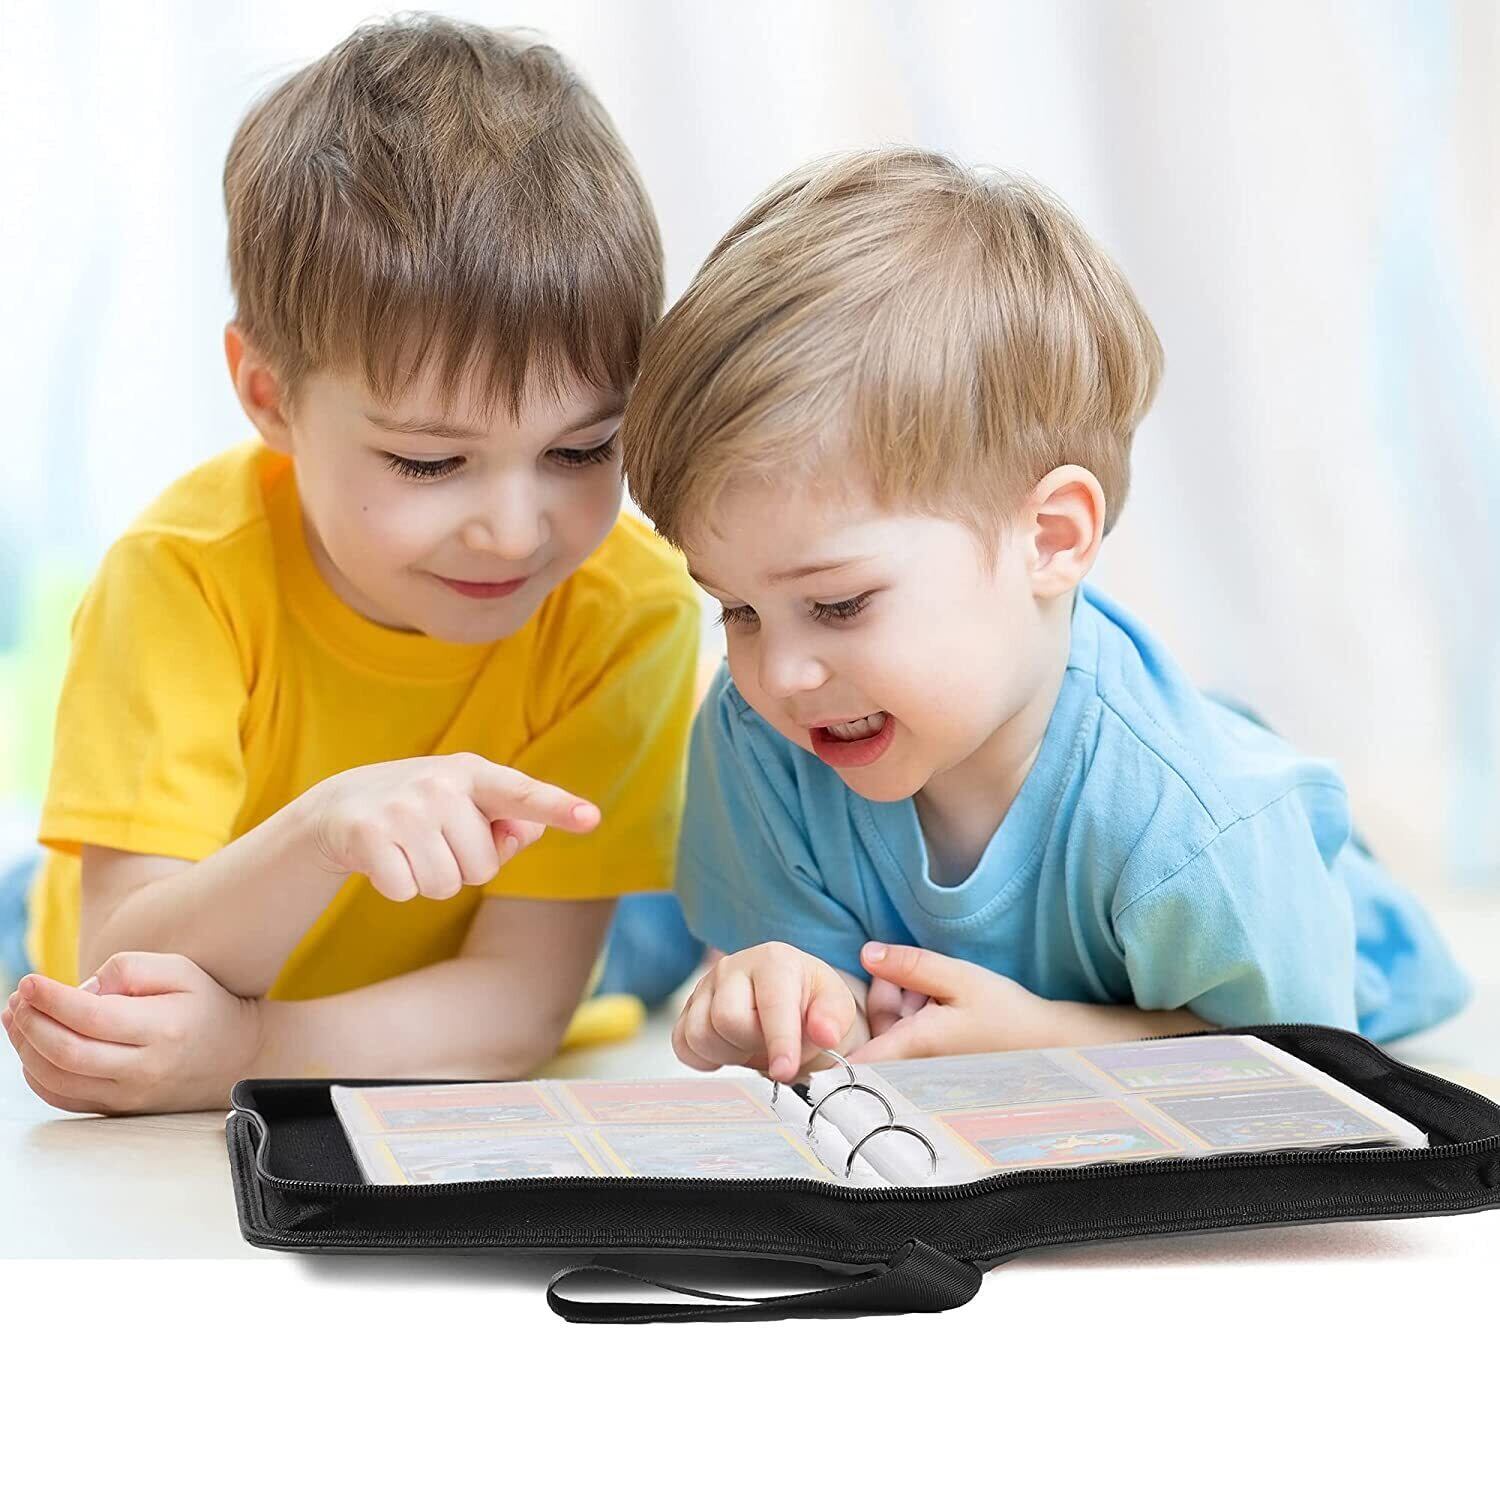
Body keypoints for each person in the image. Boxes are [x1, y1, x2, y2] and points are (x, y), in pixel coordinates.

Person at [618, 146, 1469, 1082]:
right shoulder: (760, 741)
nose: (778, 673)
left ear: (1052, 538)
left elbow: (1310, 1067)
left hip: (1305, 966)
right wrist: (787, 994)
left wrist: (1052, 1038)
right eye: (736, 610)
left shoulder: (1199, 827)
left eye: (839, 604)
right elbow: (839, 1026)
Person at [1, 16, 698, 1114]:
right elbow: (123, 972)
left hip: (455, 960)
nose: (516, 533)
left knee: (660, 930)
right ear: (268, 395)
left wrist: (246, 1046)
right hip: (143, 918)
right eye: (430, 462)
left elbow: (518, 1008)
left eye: (581, 449)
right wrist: (323, 832)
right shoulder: (180, 575)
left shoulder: (629, 602)